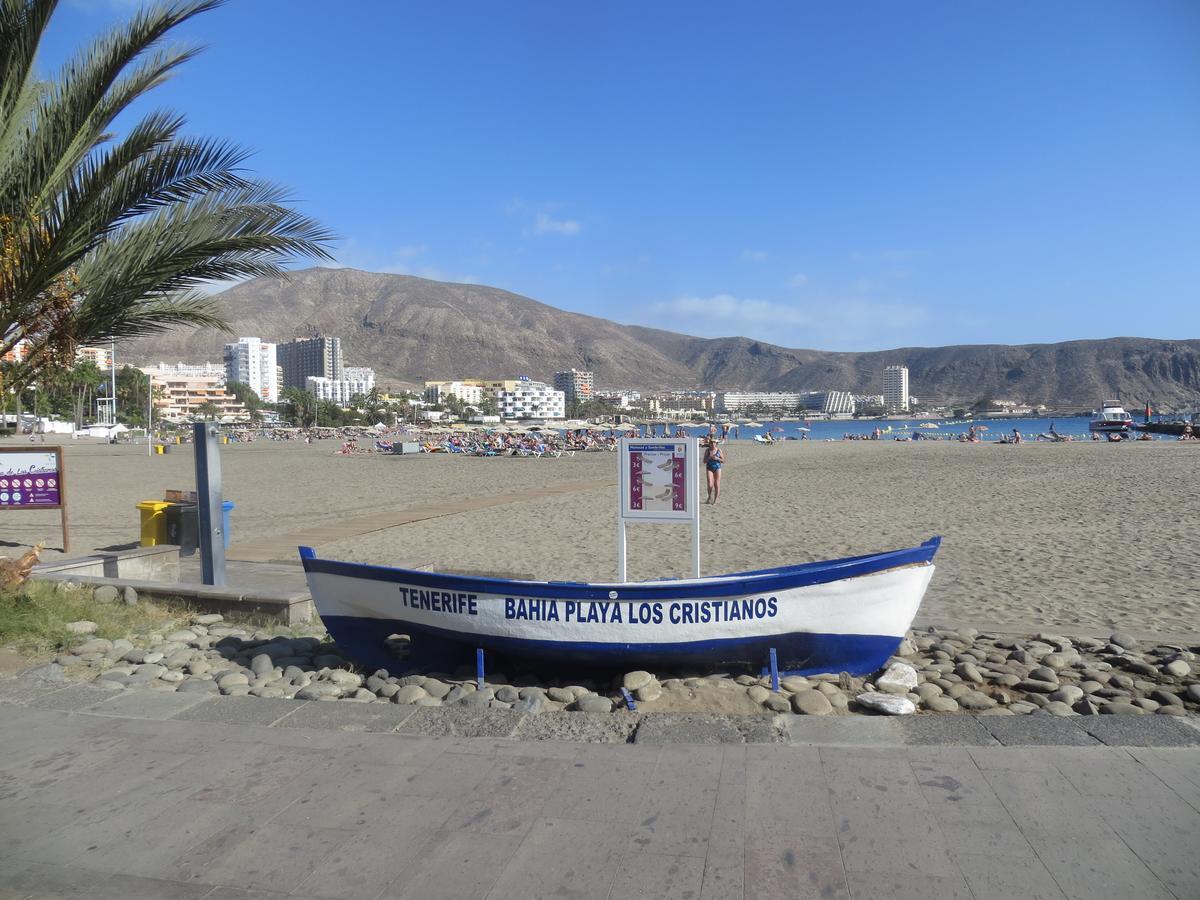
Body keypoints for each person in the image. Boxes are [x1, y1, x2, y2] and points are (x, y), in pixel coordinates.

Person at [703, 437, 724, 504]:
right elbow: (704, 461)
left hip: (717, 468)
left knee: (717, 484)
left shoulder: (719, 450)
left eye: (714, 442)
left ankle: (715, 500)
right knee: (710, 484)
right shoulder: (707, 450)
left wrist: (717, 458)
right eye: (711, 442)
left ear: (716, 443)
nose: (712, 444)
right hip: (709, 467)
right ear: (709, 443)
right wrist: (708, 458)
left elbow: (723, 460)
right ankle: (709, 497)